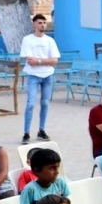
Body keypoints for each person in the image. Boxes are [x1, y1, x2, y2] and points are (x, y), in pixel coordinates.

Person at [20, 13, 60, 143]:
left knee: (45, 103)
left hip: (48, 75)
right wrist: (44, 61)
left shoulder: (50, 40)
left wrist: (38, 61)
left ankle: (41, 130)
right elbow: (29, 60)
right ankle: (26, 133)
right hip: (34, 75)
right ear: (34, 25)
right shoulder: (28, 39)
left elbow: (54, 60)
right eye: (39, 23)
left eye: (44, 22)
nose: (42, 25)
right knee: (31, 103)